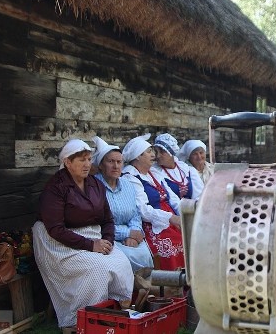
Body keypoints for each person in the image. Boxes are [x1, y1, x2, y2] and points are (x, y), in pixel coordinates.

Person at [33, 139, 133, 332]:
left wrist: (108, 241)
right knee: (96, 269)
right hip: (58, 242)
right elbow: (55, 229)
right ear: (68, 162)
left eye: (89, 159)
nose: (87, 164)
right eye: (81, 160)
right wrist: (91, 245)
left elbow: (107, 219)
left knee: (122, 263)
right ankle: (81, 320)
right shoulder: (56, 188)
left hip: (92, 236)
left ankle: (118, 312)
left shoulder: (95, 184)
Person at [121, 134, 185, 270]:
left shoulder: (153, 172)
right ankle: (168, 286)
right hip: (151, 223)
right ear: (138, 156)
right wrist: (171, 218)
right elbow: (142, 210)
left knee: (190, 239)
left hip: (171, 219)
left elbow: (172, 198)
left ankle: (186, 286)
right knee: (172, 244)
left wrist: (184, 215)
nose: (153, 154)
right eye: (149, 151)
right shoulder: (130, 176)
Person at [92, 136, 154, 274]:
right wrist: (127, 233)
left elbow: (135, 214)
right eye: (110, 161)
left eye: (119, 162)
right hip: (108, 238)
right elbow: (98, 223)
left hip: (131, 236)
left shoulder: (127, 184)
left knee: (145, 256)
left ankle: (146, 293)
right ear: (101, 165)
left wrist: (133, 233)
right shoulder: (94, 187)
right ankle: (128, 294)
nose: (116, 166)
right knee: (125, 261)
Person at [152, 133, 203, 199]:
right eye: (156, 152)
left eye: (162, 151)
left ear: (171, 152)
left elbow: (199, 196)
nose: (158, 156)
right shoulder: (155, 172)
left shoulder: (188, 171)